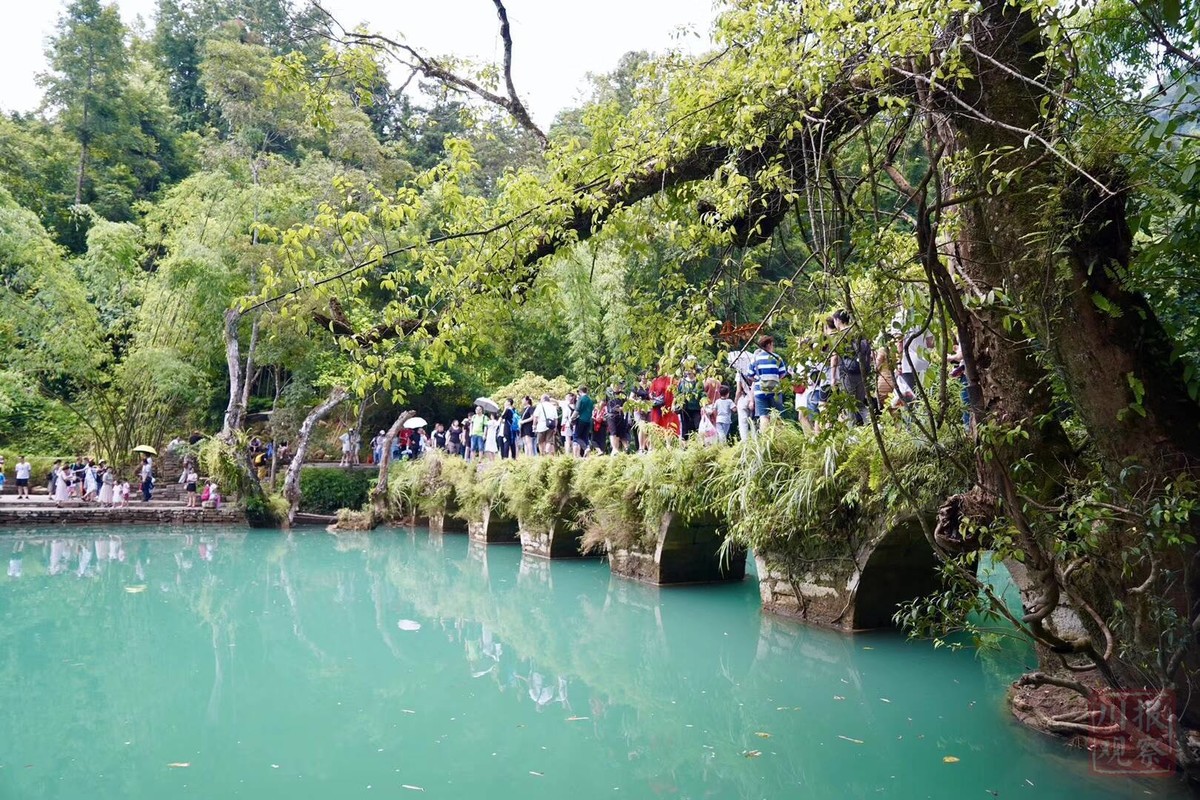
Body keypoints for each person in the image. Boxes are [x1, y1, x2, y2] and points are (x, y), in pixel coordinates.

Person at [832, 310, 871, 425]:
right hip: (861, 371)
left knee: (849, 404)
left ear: (838, 320)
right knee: (860, 403)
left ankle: (852, 431)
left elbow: (835, 357)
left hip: (848, 373)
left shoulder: (840, 336)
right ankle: (872, 424)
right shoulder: (858, 332)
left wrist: (833, 377)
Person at [751, 335, 788, 431]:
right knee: (777, 415)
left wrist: (757, 380)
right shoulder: (777, 358)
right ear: (769, 344)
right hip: (775, 390)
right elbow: (783, 373)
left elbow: (749, 375)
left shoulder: (755, 359)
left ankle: (765, 437)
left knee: (763, 416)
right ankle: (779, 437)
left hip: (760, 390)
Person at [676, 363, 703, 439]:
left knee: (697, 426)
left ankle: (697, 443)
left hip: (696, 408)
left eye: (691, 369)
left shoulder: (698, 382)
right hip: (685, 409)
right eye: (687, 370)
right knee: (685, 428)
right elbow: (678, 393)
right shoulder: (682, 382)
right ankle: (685, 444)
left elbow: (702, 393)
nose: (689, 372)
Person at [606, 381, 629, 454]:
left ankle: (624, 449)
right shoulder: (608, 393)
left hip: (620, 416)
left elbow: (627, 405)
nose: (619, 387)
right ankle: (615, 449)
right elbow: (604, 403)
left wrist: (622, 408)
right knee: (613, 432)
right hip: (611, 415)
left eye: (619, 385)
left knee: (621, 433)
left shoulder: (623, 394)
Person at [574, 386, 595, 456]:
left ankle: (586, 448)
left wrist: (571, 418)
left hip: (581, 420)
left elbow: (576, 411)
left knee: (576, 436)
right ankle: (587, 449)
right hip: (588, 420)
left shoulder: (581, 399)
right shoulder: (590, 400)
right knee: (585, 437)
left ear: (580, 391)